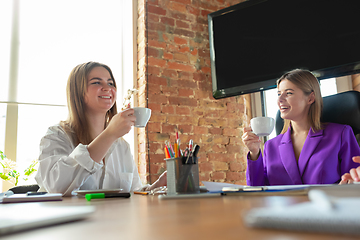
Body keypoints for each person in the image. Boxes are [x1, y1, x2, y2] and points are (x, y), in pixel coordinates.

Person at [35, 61, 166, 196]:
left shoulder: (121, 146)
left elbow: (134, 192)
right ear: (78, 91)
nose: (107, 88)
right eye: (96, 82)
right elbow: (56, 187)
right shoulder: (56, 136)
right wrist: (109, 134)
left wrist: (157, 186)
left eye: (110, 83)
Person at [242, 69, 360, 186]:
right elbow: (257, 190)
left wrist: (352, 182)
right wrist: (254, 153)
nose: (280, 100)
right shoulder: (271, 146)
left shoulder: (340, 134)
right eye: (279, 94)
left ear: (310, 98)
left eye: (288, 93)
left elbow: (354, 180)